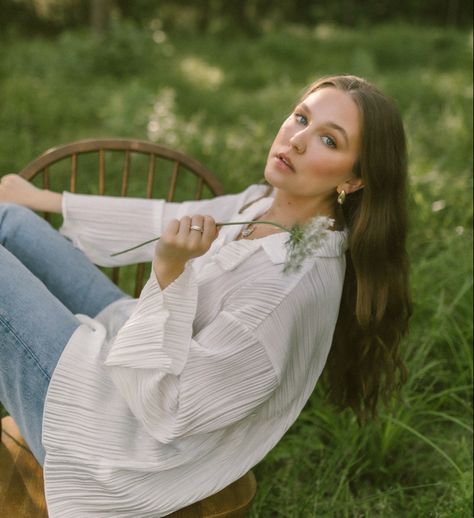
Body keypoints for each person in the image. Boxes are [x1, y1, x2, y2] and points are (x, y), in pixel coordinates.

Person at [0, 74, 411, 517]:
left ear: (353, 180)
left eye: (329, 140)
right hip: (127, 347)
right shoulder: (263, 205)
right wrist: (45, 199)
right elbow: (171, 217)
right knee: (9, 221)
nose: (296, 140)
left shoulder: (285, 290)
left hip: (117, 438)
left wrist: (170, 271)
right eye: (300, 118)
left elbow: (169, 413)